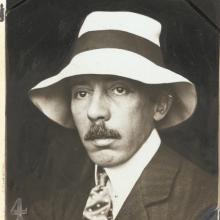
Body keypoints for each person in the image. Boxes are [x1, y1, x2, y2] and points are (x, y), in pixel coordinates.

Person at [28, 11, 217, 220]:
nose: (95, 111)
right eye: (81, 93)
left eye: (119, 89)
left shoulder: (206, 204)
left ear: (160, 105)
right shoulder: (51, 208)